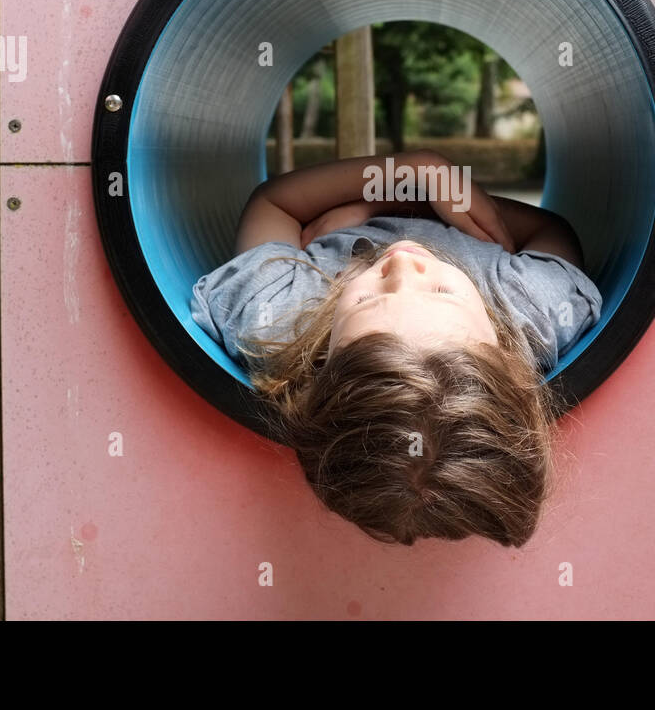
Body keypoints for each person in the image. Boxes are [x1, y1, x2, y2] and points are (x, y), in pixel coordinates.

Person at [190, 148, 602, 547]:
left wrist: (398, 182)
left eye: (367, 299)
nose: (402, 264)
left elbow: (273, 202)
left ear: (322, 367)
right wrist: (429, 189)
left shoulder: (278, 322)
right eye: (443, 292)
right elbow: (552, 231)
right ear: (505, 354)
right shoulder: (530, 307)